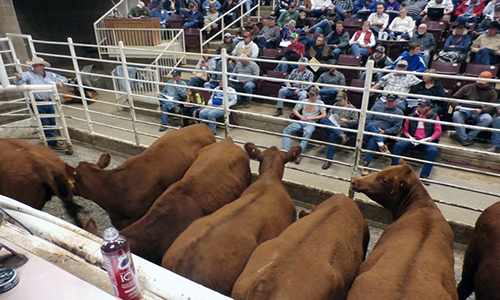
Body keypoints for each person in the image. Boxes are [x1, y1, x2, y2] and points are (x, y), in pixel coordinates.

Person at [14, 57, 68, 147]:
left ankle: (51, 140)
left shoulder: (50, 75)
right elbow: (19, 81)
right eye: (33, 65)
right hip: (37, 102)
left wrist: (59, 81)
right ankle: (52, 141)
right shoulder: (29, 74)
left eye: (36, 65)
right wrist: (18, 77)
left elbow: (63, 78)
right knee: (45, 122)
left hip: (48, 101)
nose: (34, 67)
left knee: (51, 121)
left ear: (42, 66)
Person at [391, 99, 441, 182]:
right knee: (398, 145)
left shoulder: (435, 117)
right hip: (413, 139)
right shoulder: (411, 116)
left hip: (426, 140)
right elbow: (405, 131)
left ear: (428, 108)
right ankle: (394, 169)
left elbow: (438, 131)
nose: (420, 108)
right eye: (419, 106)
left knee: (433, 150)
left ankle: (424, 175)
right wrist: (410, 137)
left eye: (423, 106)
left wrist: (430, 138)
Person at [361, 94, 404, 176]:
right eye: (388, 101)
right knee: (372, 125)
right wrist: (377, 129)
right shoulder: (377, 107)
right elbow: (367, 119)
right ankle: (382, 145)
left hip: (383, 134)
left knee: (373, 141)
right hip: (369, 131)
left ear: (396, 102)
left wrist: (384, 131)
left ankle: (365, 165)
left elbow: (397, 128)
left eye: (392, 101)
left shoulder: (399, 113)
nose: (390, 103)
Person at [451, 71, 497, 146]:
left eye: (482, 83)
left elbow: (492, 106)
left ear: (488, 82)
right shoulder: (468, 87)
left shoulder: (492, 92)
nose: (480, 83)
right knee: (456, 115)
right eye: (479, 81)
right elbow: (454, 98)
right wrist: (456, 105)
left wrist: (482, 110)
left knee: (487, 119)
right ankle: (464, 138)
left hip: (480, 112)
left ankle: (469, 137)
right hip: (464, 110)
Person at [282, 87, 327, 164]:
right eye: (310, 94)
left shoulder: (320, 103)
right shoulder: (304, 101)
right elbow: (295, 110)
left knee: (307, 133)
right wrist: (301, 117)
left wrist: (312, 118)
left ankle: (297, 155)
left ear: (317, 95)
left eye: (313, 95)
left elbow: (324, 115)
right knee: (286, 130)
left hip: (311, 122)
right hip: (302, 120)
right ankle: (285, 151)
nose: (311, 96)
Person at [319, 92, 359, 169]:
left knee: (332, 135)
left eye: (340, 100)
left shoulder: (352, 109)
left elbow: (356, 121)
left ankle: (328, 160)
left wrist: (346, 121)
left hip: (344, 127)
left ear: (346, 99)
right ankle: (340, 134)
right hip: (333, 125)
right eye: (338, 100)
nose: (339, 102)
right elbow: (328, 115)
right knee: (324, 120)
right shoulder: (335, 105)